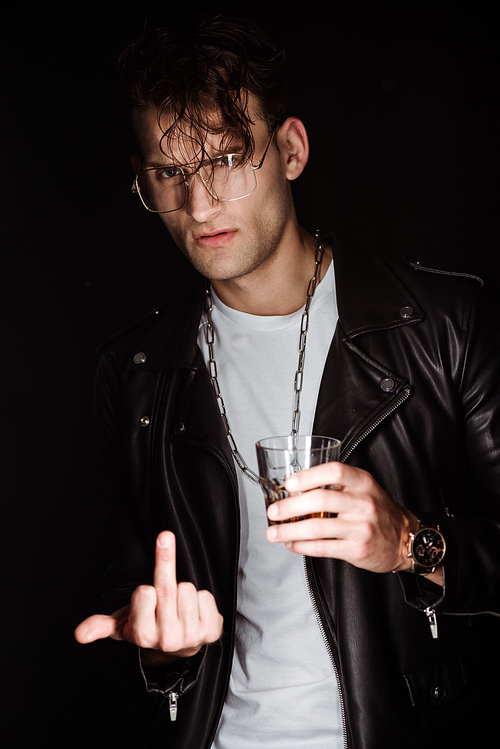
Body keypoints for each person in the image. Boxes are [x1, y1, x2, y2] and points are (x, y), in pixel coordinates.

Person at [75, 13, 500, 748]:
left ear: (291, 150)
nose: (200, 206)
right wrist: (161, 647)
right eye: (171, 174)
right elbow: (130, 595)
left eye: (227, 159)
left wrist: (411, 542)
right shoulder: (136, 373)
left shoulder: (443, 323)